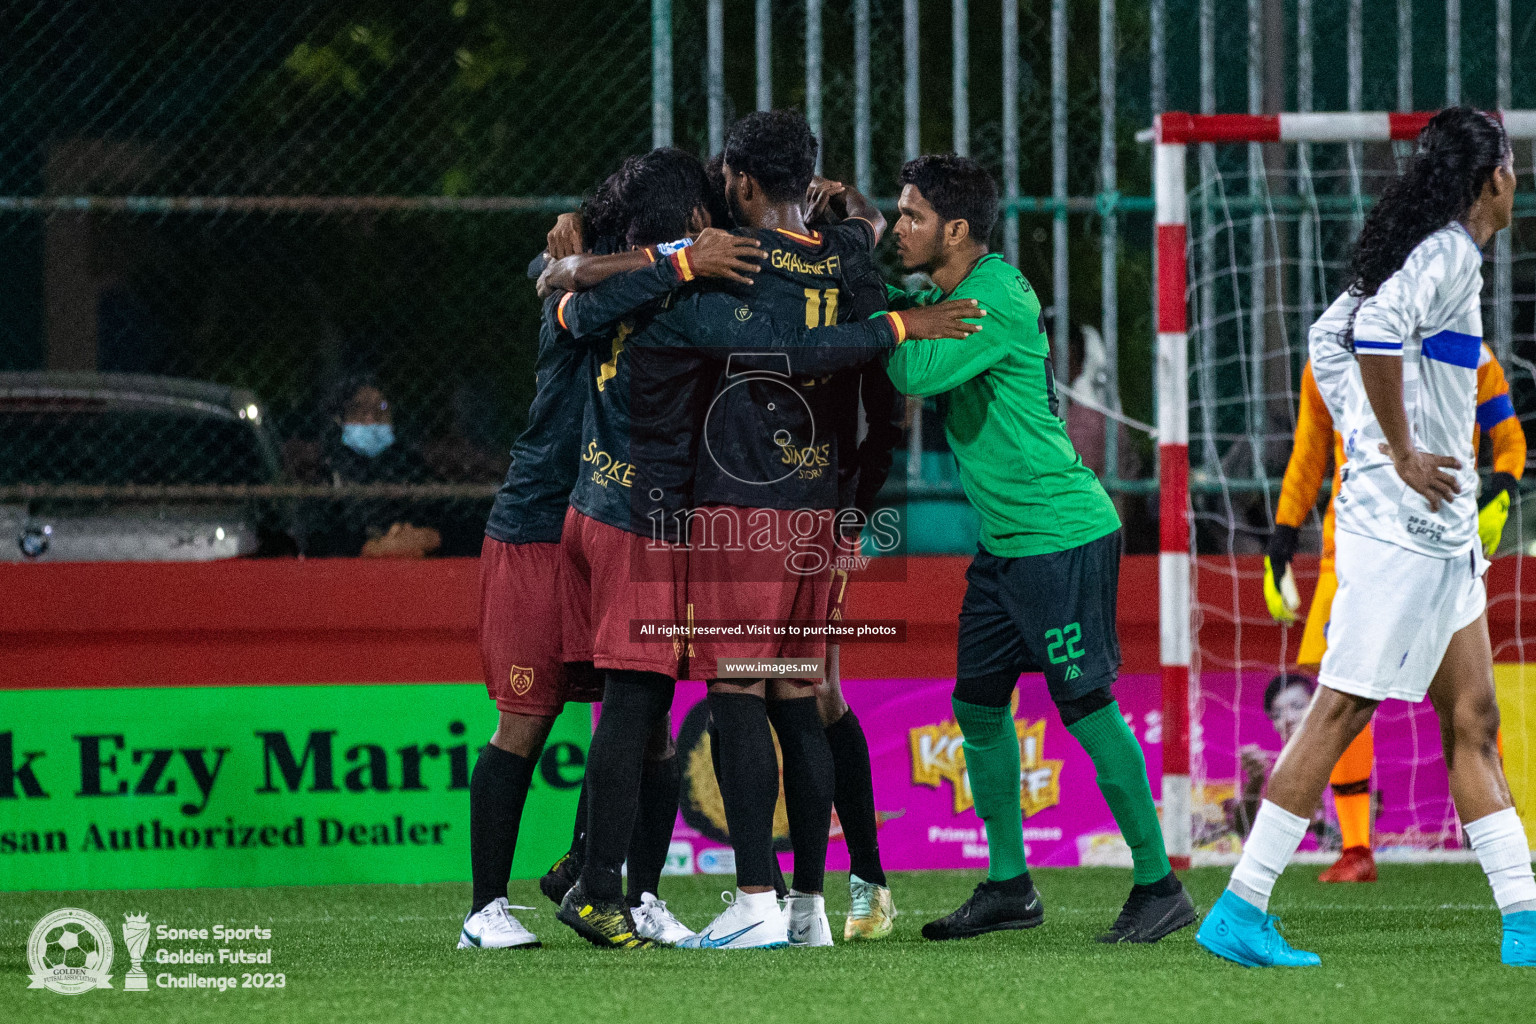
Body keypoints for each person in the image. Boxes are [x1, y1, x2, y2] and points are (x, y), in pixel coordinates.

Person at [544, 145, 981, 949]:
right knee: (794, 694)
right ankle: (795, 905)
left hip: (720, 508)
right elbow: (841, 296)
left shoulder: (715, 275)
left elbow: (575, 306)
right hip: (806, 504)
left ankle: (732, 897)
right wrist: (877, 269)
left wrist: (570, 268)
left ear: (741, 187)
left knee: (726, 692)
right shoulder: (832, 256)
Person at [1197, 107, 1536, 968]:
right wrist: (1399, 450)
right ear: (1491, 176)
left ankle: (1525, 923)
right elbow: (1376, 333)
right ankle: (1241, 906)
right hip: (1407, 527)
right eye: (1512, 164)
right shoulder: (1451, 251)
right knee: (1344, 706)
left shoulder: (1425, 250)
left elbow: (1329, 338)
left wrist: (1375, 446)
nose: (1518, 179)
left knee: (1474, 715)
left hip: (1437, 526)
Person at [882, 153, 1195, 944]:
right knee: (976, 709)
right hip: (1006, 544)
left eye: (910, 215)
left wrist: (867, 305)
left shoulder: (990, 300)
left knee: (1086, 706)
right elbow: (903, 326)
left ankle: (1159, 886)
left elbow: (911, 371)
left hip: (1060, 535)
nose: (897, 228)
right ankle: (1010, 885)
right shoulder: (951, 294)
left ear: (955, 230)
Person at [1265, 347, 1525, 883]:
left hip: (1439, 545)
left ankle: (1500, 841)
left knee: (1471, 706)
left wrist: (1501, 491)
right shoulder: (1332, 352)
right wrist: (1283, 537)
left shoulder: (1471, 354)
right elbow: (1310, 452)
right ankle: (1352, 848)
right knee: (1339, 700)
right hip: (1359, 552)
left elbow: (1509, 439)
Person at [308, 373, 441, 558]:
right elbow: (319, 536)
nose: (371, 418)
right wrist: (374, 547)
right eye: (358, 409)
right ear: (341, 418)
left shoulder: (410, 463)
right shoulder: (329, 469)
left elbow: (440, 522)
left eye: (382, 407)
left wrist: (423, 537)